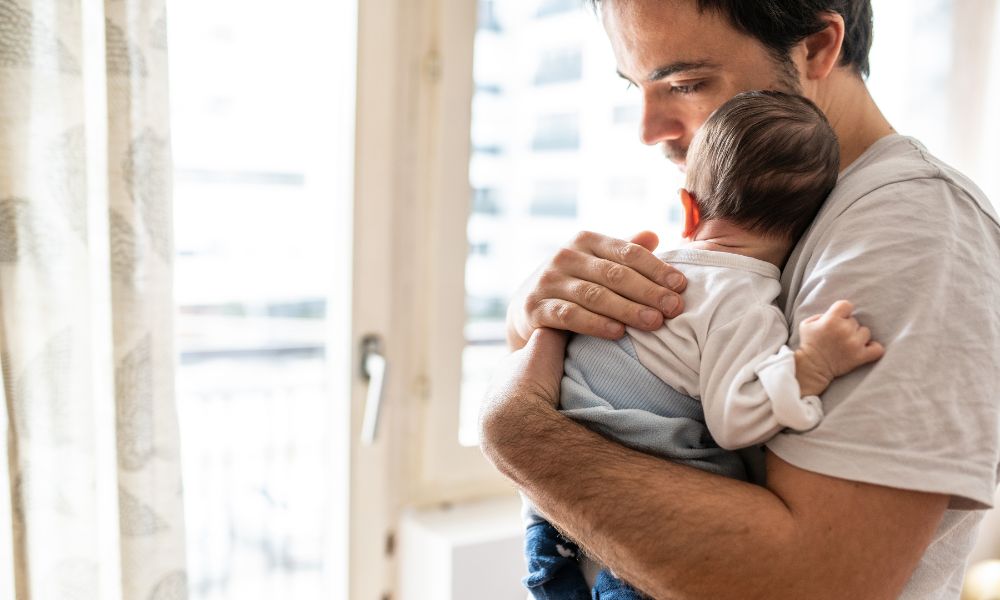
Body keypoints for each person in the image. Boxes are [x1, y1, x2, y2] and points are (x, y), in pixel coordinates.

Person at [479, 1, 1000, 598]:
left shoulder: (910, 231)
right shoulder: (767, 212)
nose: (648, 131)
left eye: (687, 83)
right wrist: (536, 322)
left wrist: (515, 431)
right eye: (635, 86)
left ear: (817, 48)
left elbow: (814, 582)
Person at [522, 90, 886, 599]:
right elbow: (735, 421)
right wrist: (811, 366)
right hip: (633, 506)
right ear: (804, 233)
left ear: (688, 209)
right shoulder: (742, 303)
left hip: (550, 512)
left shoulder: (641, 268)